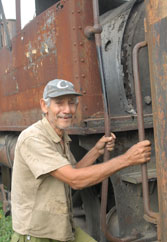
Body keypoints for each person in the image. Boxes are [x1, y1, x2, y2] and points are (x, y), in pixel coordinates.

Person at [11, 79, 151, 242]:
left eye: (72, 103)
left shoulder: (59, 135)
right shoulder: (34, 138)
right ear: (44, 106)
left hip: (61, 229)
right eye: (59, 103)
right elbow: (75, 180)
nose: (67, 109)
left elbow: (73, 171)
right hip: (37, 235)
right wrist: (127, 159)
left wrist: (96, 150)